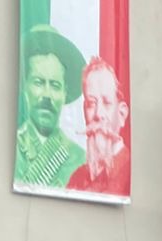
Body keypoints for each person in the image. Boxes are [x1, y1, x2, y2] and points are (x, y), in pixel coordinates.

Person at [15, 24, 87, 189]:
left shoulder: (81, 160)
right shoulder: (11, 152)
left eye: (54, 85)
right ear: (25, 86)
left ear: (64, 93)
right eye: (39, 82)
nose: (46, 95)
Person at [66, 57, 130, 195]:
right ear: (84, 112)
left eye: (106, 103)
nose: (98, 114)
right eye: (91, 103)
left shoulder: (131, 170)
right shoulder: (76, 179)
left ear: (121, 114)